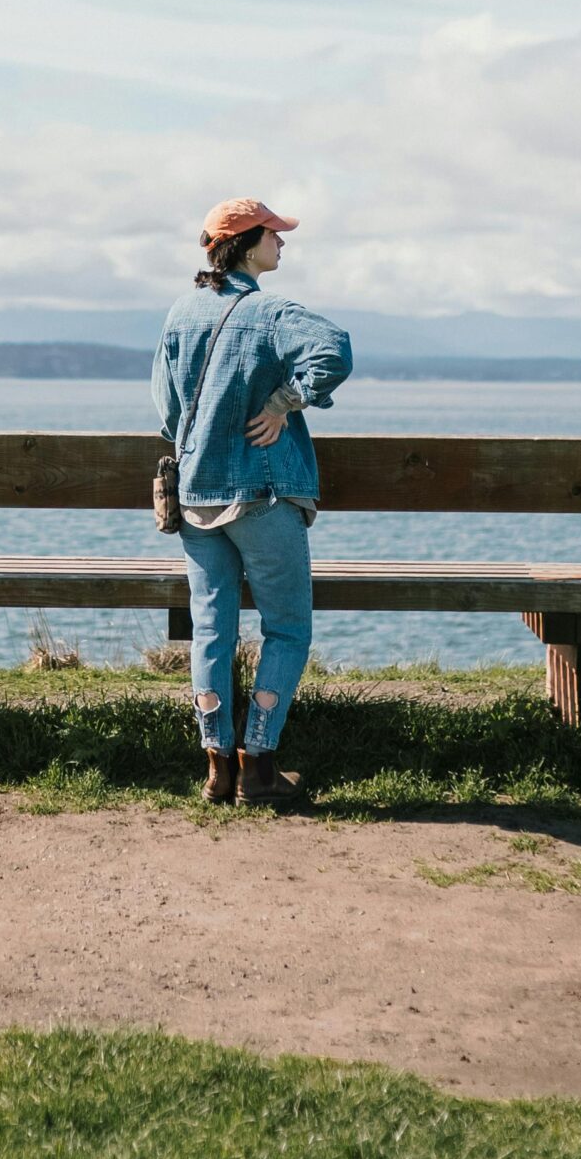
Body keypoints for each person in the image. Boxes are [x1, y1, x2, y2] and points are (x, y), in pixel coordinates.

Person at [151, 198, 353, 805]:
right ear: (244, 244)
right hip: (262, 497)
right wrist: (283, 403)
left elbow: (166, 409)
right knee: (287, 629)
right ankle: (259, 765)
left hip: (195, 499)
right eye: (275, 235)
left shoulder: (180, 313)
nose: (283, 244)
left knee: (211, 628)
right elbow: (335, 350)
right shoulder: (269, 311)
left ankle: (216, 765)